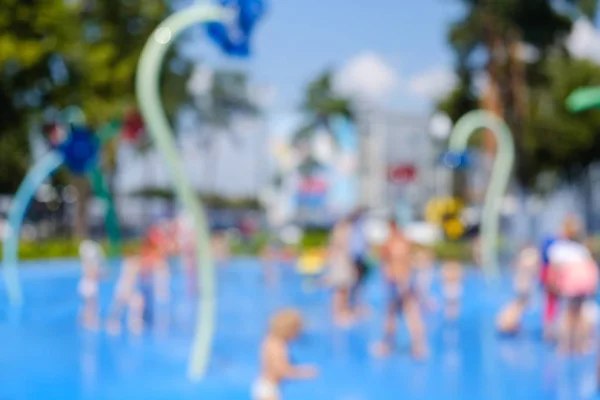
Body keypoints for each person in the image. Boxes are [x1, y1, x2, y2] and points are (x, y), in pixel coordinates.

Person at [372, 220, 427, 359]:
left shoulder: (390, 243)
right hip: (405, 279)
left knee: (393, 314)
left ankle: (388, 345)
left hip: (396, 281)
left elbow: (384, 262)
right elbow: (415, 260)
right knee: (410, 313)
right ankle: (418, 346)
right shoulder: (405, 242)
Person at [546, 238, 598, 354]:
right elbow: (591, 271)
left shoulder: (559, 250)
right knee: (580, 315)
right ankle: (581, 345)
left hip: (571, 287)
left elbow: (553, 271)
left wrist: (555, 286)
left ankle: (565, 345)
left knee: (569, 315)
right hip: (583, 287)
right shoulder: (582, 251)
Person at [252, 309, 318, 400]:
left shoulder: (269, 340)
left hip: (264, 385)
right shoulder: (278, 345)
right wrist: (303, 373)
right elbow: (281, 370)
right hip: (269, 388)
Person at [496, 246, 540, 334]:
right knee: (519, 305)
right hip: (524, 286)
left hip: (521, 285)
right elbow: (534, 271)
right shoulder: (530, 258)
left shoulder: (523, 258)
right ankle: (508, 323)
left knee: (519, 305)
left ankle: (510, 322)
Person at [325, 217, 356, 326]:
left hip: (341, 264)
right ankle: (338, 314)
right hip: (341, 265)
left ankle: (341, 312)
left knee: (343, 290)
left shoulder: (341, 234)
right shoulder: (341, 234)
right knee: (340, 290)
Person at [106, 256, 145, 335]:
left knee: (132, 304)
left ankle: (132, 322)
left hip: (124, 289)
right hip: (123, 289)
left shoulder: (130, 269)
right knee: (119, 306)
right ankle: (114, 321)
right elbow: (128, 284)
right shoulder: (130, 270)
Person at [78, 240, 105, 330]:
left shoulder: (86, 262)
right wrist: (101, 274)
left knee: (89, 305)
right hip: (89, 286)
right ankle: (89, 321)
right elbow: (92, 275)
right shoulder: (89, 263)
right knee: (91, 305)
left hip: (87, 285)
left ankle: (86, 320)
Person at [349, 208, 369, 310]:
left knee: (359, 283)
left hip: (360, 258)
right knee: (354, 282)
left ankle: (357, 304)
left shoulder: (360, 227)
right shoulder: (354, 228)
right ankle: (354, 305)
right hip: (355, 258)